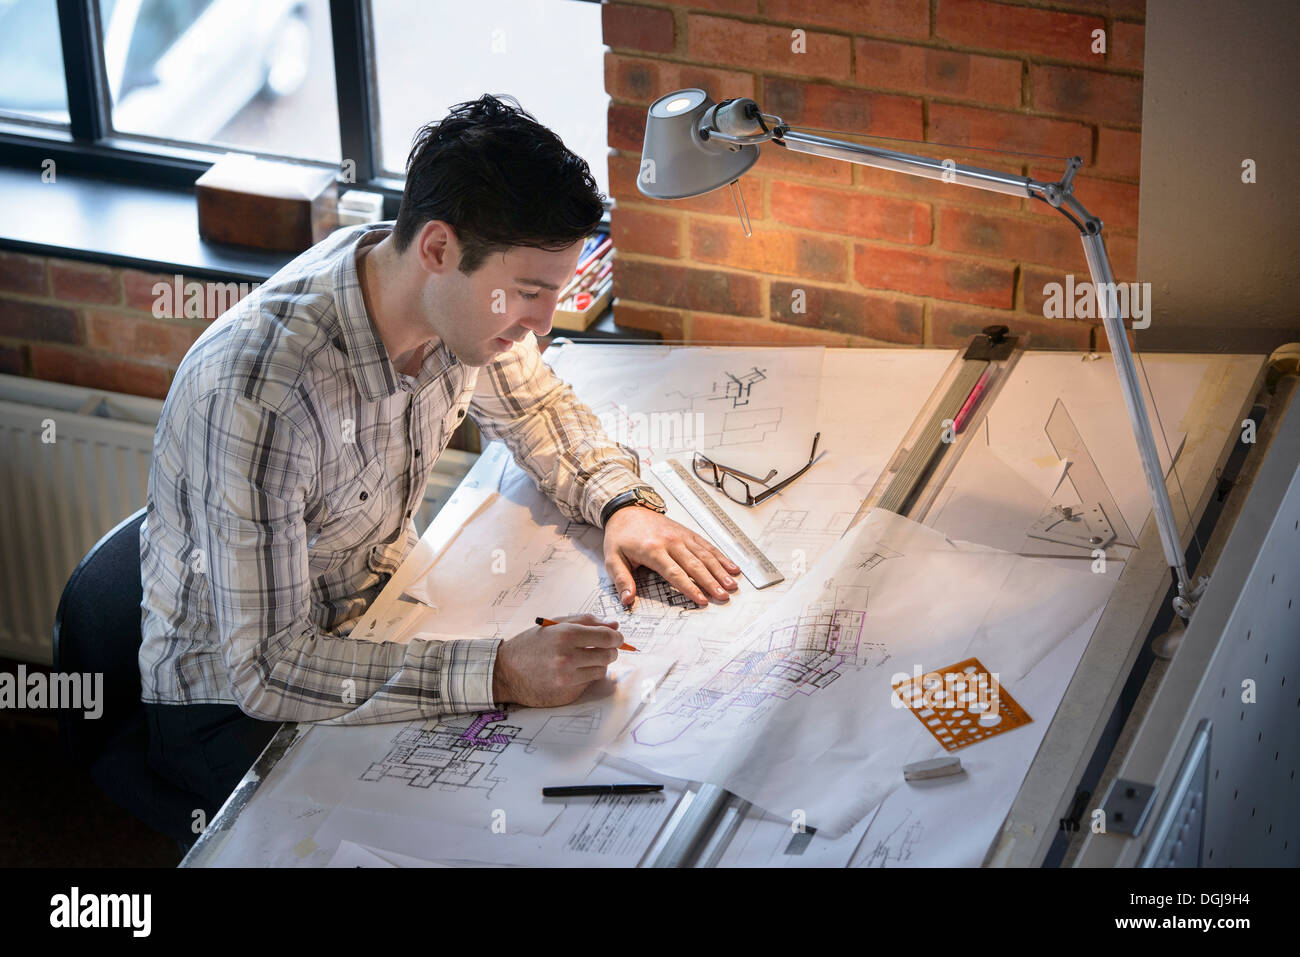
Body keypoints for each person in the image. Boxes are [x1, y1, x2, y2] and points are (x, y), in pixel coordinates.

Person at [138, 94, 741, 823]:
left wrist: (620, 504)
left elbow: (541, 410)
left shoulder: (445, 306)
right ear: (437, 249)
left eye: (554, 292)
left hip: (383, 619)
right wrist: (498, 671)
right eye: (528, 293)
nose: (543, 324)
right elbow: (271, 669)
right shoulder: (263, 393)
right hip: (233, 709)